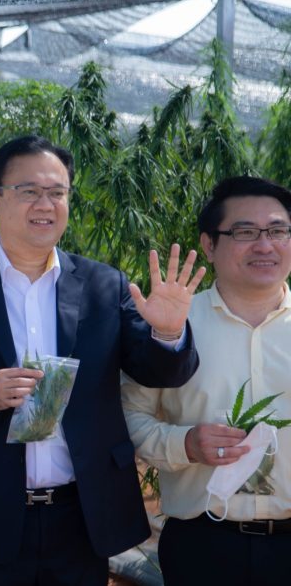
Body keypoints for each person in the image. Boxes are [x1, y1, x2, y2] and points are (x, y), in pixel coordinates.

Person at [0, 135, 204, 586]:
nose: (45, 204)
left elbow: (159, 371)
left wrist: (167, 332)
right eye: (29, 191)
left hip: (82, 517)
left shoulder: (103, 285)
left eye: (57, 192)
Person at [122, 176, 291, 586]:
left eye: (278, 231)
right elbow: (129, 416)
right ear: (209, 244)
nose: (265, 245)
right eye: (245, 232)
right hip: (203, 544)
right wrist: (185, 445)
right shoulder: (170, 324)